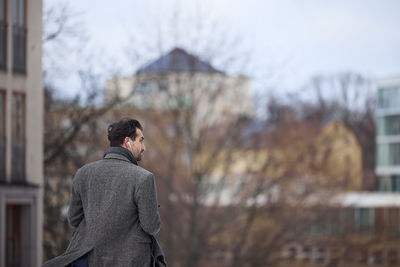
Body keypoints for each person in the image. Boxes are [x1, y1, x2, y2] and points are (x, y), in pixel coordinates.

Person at [42, 118, 165, 267]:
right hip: (131, 261)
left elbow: (74, 219)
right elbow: (151, 226)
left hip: (91, 259)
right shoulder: (143, 178)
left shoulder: (83, 173)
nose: (144, 147)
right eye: (141, 140)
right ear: (128, 142)